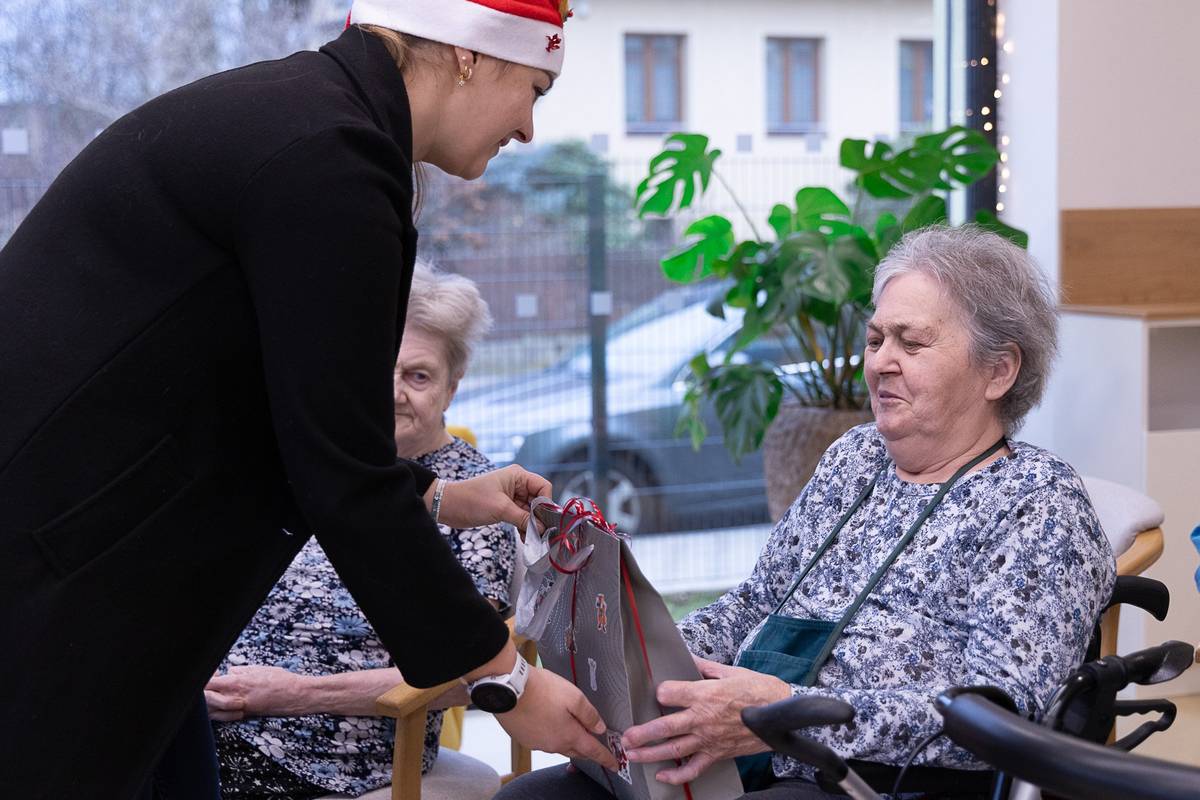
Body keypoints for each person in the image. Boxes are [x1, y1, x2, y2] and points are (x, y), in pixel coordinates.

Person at [0, 2, 616, 797]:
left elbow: (286, 412)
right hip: (67, 586)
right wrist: (506, 683)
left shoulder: (305, 119)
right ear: (469, 56)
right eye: (534, 87)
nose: (529, 127)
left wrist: (440, 498)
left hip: (104, 569)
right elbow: (340, 472)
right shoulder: (330, 159)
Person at [496, 225, 1117, 800]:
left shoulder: (1040, 504)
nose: (879, 361)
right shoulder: (853, 457)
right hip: (748, 745)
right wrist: (646, 662)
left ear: (998, 370)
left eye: (913, 342)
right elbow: (756, 604)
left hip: (874, 780)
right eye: (876, 339)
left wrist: (790, 714)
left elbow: (1006, 714)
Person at [206, 263, 515, 798]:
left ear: (451, 389)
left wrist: (289, 695)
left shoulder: (476, 501)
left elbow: (470, 671)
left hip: (338, 750)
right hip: (218, 718)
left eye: (418, 376)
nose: (393, 393)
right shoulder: (315, 466)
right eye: (379, 370)